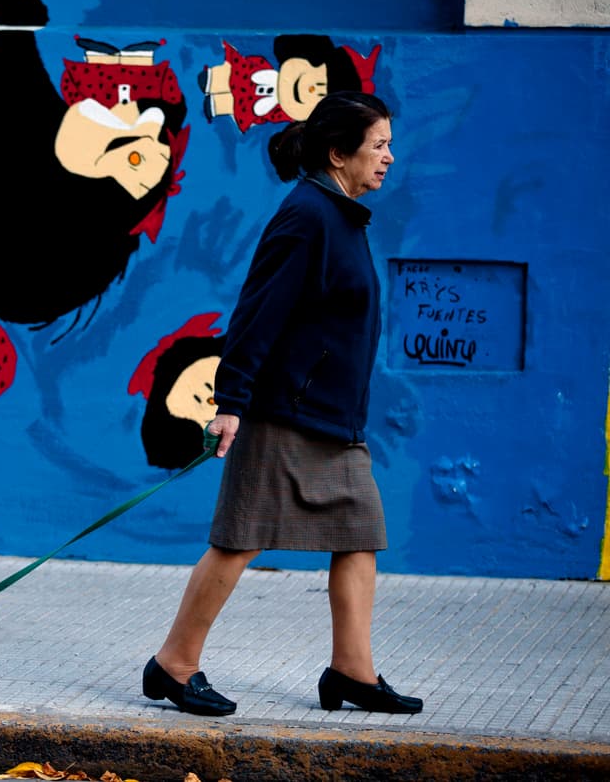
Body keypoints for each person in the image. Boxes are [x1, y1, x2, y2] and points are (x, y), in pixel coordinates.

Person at [142, 91, 423, 716]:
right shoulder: (308, 216)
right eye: (379, 145)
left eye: (389, 144)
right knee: (240, 538)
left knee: (360, 533)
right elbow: (257, 314)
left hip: (334, 420)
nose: (389, 157)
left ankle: (352, 671)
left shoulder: (341, 214)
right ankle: (174, 663)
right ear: (338, 153)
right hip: (285, 414)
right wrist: (231, 400)